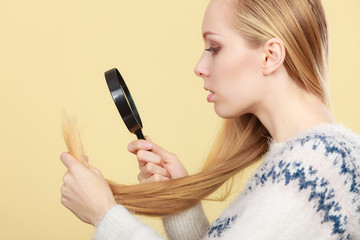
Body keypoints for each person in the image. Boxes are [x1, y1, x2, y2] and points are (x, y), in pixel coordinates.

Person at [60, 0, 360, 239]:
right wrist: (181, 207)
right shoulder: (308, 160)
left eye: (214, 48)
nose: (200, 67)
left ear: (270, 56)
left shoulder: (312, 170)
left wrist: (105, 216)